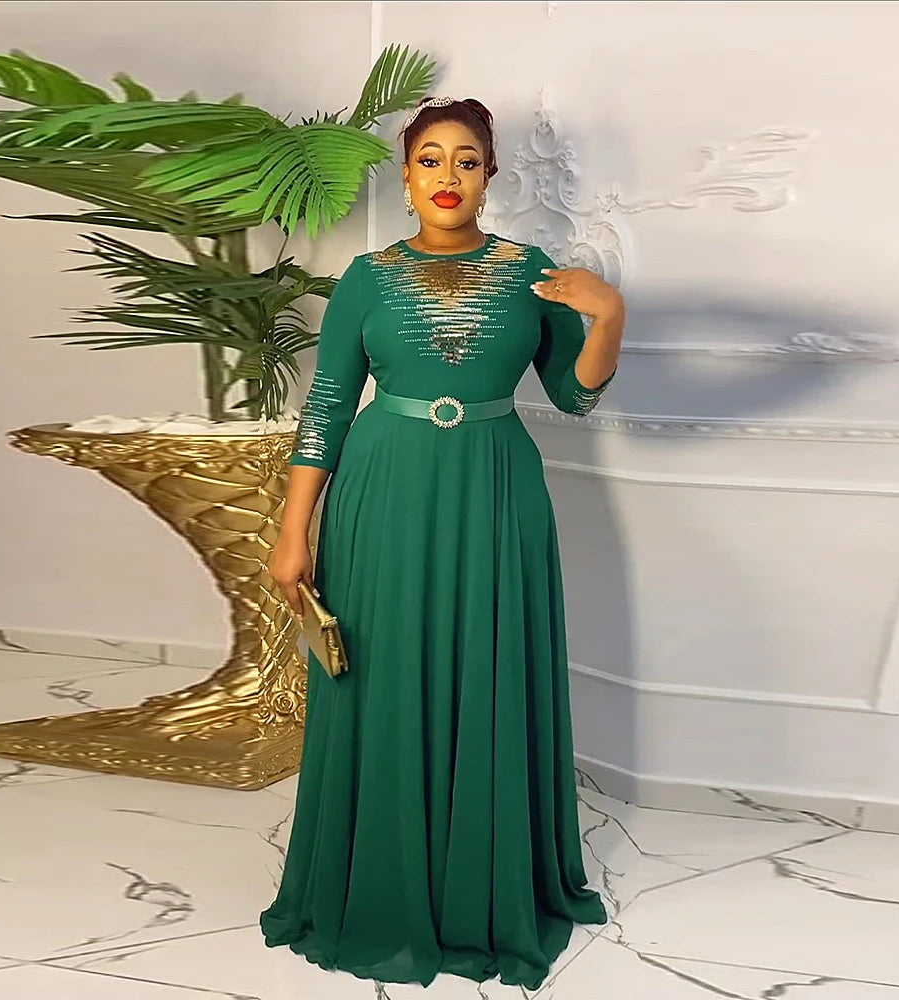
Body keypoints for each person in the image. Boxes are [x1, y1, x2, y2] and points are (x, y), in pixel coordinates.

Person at [259, 95, 626, 991]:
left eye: (467, 160)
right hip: (382, 491)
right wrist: (292, 530)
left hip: (495, 492)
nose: (448, 176)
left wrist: (608, 317)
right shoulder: (366, 277)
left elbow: (575, 397)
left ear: (490, 176)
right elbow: (327, 406)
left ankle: (480, 891)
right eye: (431, 160)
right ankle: (381, 882)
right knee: (383, 671)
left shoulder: (530, 272)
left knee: (485, 669)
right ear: (407, 175)